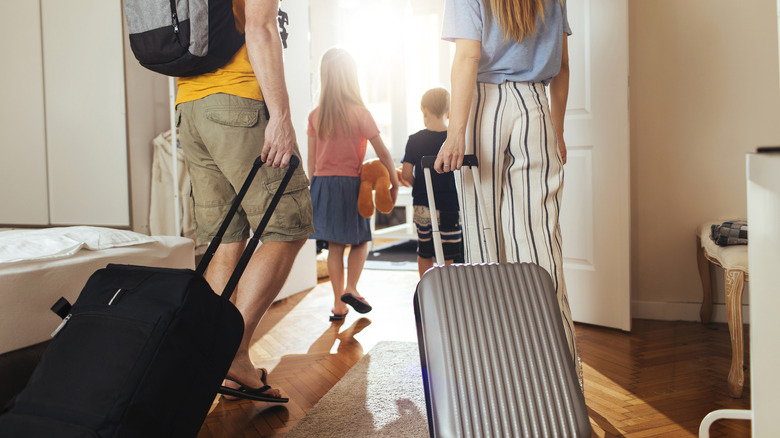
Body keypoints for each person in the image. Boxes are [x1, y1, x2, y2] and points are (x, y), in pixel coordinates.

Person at [434, 0, 581, 381]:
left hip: (483, 109)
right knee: (540, 245)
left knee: (486, 248)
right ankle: (562, 378)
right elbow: (563, 66)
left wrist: (455, 134)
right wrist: (558, 129)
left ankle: (499, 377)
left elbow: (467, 58)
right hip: (536, 107)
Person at [175, 0, 314, 402]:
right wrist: (281, 116)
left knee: (226, 239)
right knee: (288, 224)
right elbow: (261, 29)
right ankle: (231, 354)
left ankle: (219, 364)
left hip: (191, 107)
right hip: (239, 102)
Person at [307, 48, 400, 322]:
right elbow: (382, 152)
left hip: (322, 186)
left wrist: (312, 195)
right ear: (351, 78)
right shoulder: (360, 113)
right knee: (361, 241)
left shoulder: (315, 116)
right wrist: (393, 178)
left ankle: (338, 305)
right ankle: (352, 288)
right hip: (351, 185)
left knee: (335, 246)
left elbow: (311, 164)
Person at [400, 87, 462, 277]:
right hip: (449, 205)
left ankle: (426, 288)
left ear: (423, 110)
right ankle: (448, 288)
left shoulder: (414, 140)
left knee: (424, 250)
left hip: (423, 205)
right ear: (449, 112)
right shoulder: (453, 140)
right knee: (448, 253)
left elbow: (406, 174)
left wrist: (418, 185)